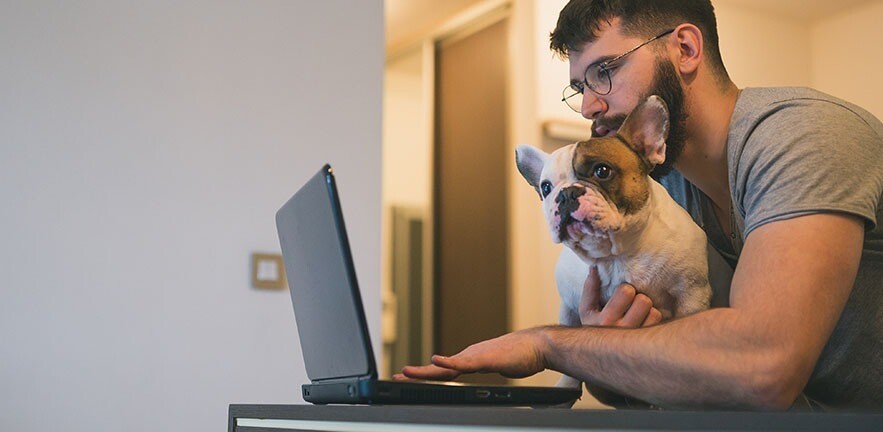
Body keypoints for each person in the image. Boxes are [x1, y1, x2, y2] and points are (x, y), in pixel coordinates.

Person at [398, 0, 883, 410]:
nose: (588, 106)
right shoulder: (659, 187)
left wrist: (552, 344)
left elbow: (763, 368)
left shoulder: (803, 137)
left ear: (685, 48)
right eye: (580, 87)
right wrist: (608, 347)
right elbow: (662, 378)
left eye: (605, 71)